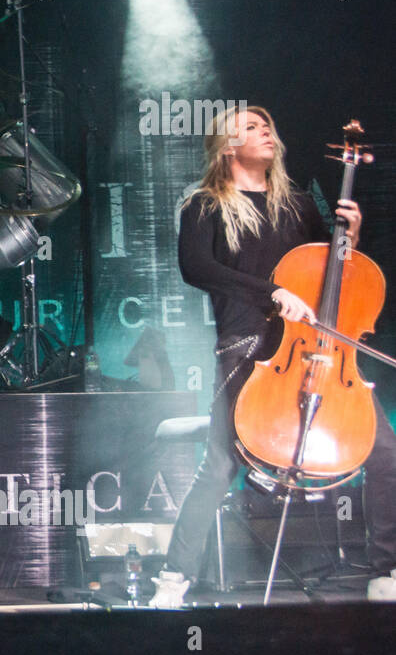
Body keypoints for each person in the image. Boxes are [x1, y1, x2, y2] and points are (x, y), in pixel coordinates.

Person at [151, 106, 396, 606]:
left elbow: (330, 277)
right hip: (250, 349)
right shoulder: (204, 205)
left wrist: (349, 236)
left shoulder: (299, 204)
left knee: (387, 452)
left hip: (315, 354)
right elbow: (197, 268)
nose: (265, 132)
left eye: (267, 127)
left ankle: (386, 571)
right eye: (251, 128)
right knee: (219, 466)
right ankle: (172, 581)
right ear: (226, 147)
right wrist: (272, 293)